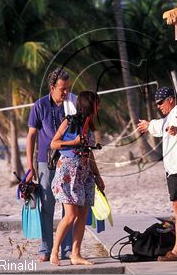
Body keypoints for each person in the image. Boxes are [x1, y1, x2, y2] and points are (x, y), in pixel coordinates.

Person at [137, 86, 177, 262]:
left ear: (170, 99)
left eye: (160, 103)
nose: (159, 106)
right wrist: (148, 125)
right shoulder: (170, 115)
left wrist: (174, 128)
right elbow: (160, 125)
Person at [26, 68, 77, 262]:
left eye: (68, 88)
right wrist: (30, 166)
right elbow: (31, 135)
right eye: (62, 89)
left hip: (70, 160)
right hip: (45, 161)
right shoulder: (40, 106)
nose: (65, 92)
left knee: (69, 206)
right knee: (47, 205)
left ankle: (66, 249)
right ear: (52, 87)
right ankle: (45, 248)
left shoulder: (72, 104)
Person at [49, 91, 105, 266]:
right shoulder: (70, 121)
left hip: (84, 174)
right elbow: (54, 143)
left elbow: (89, 153)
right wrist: (73, 142)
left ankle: (76, 254)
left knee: (82, 215)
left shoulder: (90, 126)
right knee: (70, 215)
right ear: (90, 104)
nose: (99, 107)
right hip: (68, 173)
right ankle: (54, 251)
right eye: (97, 103)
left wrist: (97, 176)